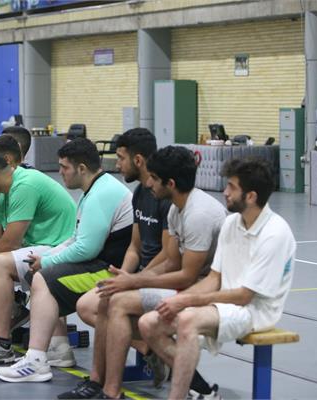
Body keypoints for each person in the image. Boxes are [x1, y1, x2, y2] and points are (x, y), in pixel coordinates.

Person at [58, 144, 228, 400]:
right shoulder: (176, 208)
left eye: (154, 179)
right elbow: (171, 262)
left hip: (207, 289)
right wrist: (130, 279)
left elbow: (188, 276)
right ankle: (99, 383)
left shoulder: (198, 214)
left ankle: (112, 392)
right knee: (107, 299)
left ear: (170, 183)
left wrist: (134, 281)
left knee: (118, 303)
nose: (148, 183)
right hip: (189, 282)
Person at [139, 157, 296, 400]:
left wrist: (185, 301)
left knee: (187, 319)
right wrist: (181, 298)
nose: (225, 192)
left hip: (255, 311)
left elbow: (244, 296)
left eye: (232, 187)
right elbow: (214, 278)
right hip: (224, 303)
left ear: (251, 196)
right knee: (149, 323)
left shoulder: (275, 233)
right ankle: (200, 391)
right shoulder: (231, 223)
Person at [0, 137, 134, 382]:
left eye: (64, 167)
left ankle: (36, 360)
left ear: (82, 168)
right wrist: (46, 256)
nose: (60, 172)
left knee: (44, 279)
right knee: (42, 274)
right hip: (101, 263)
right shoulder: (94, 190)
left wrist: (47, 263)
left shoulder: (102, 193)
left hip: (112, 271)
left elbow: (86, 249)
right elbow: (75, 238)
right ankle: (55, 349)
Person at [0, 135, 76, 367]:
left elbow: (10, 243)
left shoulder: (23, 185)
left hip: (58, 247)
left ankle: (1, 342)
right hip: (36, 245)